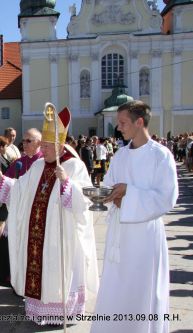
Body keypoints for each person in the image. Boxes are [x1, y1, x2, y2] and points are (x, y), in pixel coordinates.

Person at [0, 108, 99, 325]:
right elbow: (21, 190)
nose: (44, 149)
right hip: (37, 235)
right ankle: (41, 312)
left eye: (48, 146)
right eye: (44, 146)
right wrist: (3, 180)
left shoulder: (74, 165)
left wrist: (67, 183)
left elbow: (85, 198)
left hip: (61, 234)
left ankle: (62, 312)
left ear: (60, 146)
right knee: (39, 271)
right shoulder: (39, 165)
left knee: (58, 272)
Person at [91, 101, 179, 333]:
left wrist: (129, 193)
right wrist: (110, 197)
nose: (118, 128)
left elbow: (166, 198)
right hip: (119, 235)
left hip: (145, 237)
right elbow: (109, 188)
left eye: (122, 123)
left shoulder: (161, 156)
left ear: (139, 122)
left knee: (142, 288)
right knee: (115, 288)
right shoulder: (120, 156)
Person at [0, 128, 43, 288]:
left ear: (39, 143)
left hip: (35, 215)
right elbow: (11, 183)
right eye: (23, 141)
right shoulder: (21, 161)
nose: (24, 144)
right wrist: (1, 179)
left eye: (28, 141)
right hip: (19, 214)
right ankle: (15, 280)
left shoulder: (43, 162)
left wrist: (5, 181)